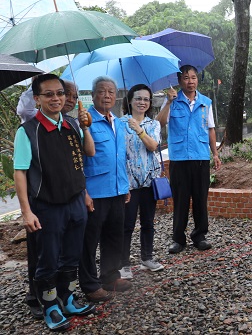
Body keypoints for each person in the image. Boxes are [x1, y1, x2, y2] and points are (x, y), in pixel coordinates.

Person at [13, 74, 96, 331]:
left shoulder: (71, 124)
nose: (56, 98)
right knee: (47, 260)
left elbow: (87, 154)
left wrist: (85, 128)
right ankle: (50, 306)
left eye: (60, 93)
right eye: (49, 94)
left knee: (71, 256)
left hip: (75, 202)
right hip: (47, 207)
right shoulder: (27, 131)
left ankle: (68, 299)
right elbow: (20, 172)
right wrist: (27, 212)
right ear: (37, 99)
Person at [157, 65, 221, 254]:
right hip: (179, 159)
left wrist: (215, 154)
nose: (190, 81)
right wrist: (168, 102)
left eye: (193, 77)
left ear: (197, 80)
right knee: (181, 200)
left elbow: (210, 129)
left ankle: (200, 236)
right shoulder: (172, 101)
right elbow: (159, 123)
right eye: (186, 78)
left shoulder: (206, 102)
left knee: (201, 199)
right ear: (179, 81)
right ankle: (178, 239)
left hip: (201, 158)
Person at [79, 76, 132, 302]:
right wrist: (84, 192)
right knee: (90, 241)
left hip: (117, 190)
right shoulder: (85, 122)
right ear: (93, 95)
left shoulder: (118, 122)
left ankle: (110, 276)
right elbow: (78, 161)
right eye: (102, 91)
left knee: (114, 236)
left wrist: (126, 185)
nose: (107, 95)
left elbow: (121, 157)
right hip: (96, 192)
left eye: (111, 91)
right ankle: (90, 285)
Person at [119, 84, 164, 279]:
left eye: (146, 99)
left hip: (149, 181)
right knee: (127, 225)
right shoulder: (119, 124)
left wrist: (139, 130)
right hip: (128, 183)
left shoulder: (153, 124)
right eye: (138, 98)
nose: (142, 102)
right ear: (129, 100)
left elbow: (153, 146)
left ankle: (147, 258)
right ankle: (123, 265)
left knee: (148, 222)